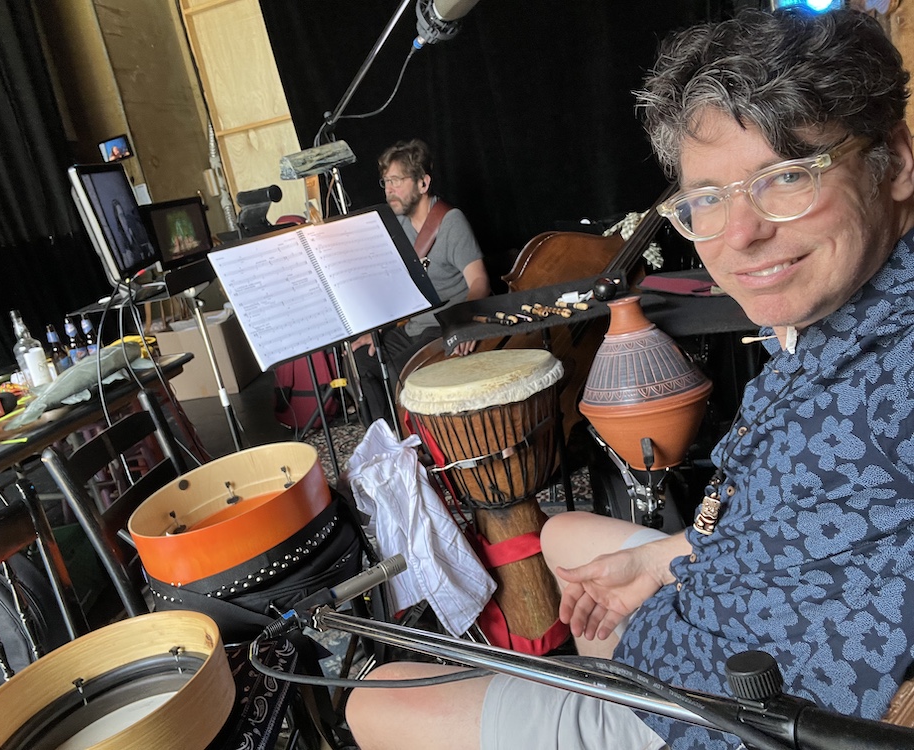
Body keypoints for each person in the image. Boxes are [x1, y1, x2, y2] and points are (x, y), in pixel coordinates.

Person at [344, 8, 914, 749]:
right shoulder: (842, 318)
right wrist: (662, 560)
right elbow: (813, 526)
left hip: (723, 715)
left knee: (369, 697)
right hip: (722, 594)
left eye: (786, 177)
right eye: (706, 198)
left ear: (897, 162)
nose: (739, 234)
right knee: (567, 537)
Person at [351, 138, 491, 426]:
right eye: (385, 181)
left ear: (423, 184)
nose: (389, 189)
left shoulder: (452, 222)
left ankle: (417, 446)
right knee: (361, 358)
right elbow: (397, 288)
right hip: (414, 326)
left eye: (397, 180)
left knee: (397, 370)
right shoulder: (399, 226)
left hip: (444, 326)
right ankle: (385, 440)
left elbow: (480, 282)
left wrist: (462, 324)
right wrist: (378, 329)